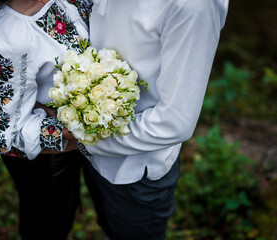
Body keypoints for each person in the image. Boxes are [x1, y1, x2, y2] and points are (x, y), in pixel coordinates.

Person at [75, 0, 230, 239]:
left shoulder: (193, 7)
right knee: (108, 226)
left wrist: (82, 138)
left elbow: (174, 122)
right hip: (91, 150)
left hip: (136, 171)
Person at [0, 0, 92, 239]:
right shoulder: (7, 35)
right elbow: (5, 132)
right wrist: (85, 127)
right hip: (44, 160)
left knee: (68, 208)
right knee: (47, 225)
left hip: (77, 145)